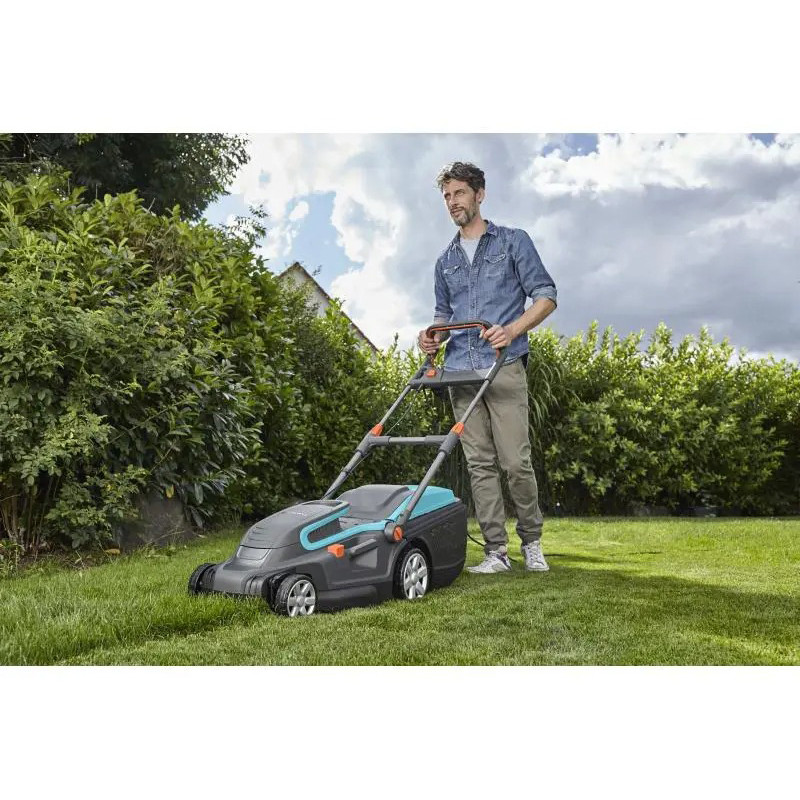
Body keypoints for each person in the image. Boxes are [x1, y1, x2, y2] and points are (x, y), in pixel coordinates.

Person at [418, 161, 557, 574]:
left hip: (504, 365)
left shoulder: (513, 242)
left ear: (479, 194)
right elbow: (443, 315)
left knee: (515, 462)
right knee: (479, 465)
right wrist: (431, 336)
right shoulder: (444, 261)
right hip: (461, 371)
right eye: (446, 196)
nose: (452, 202)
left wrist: (511, 330)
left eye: (459, 193)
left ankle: (531, 542)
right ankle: (496, 552)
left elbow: (546, 295)